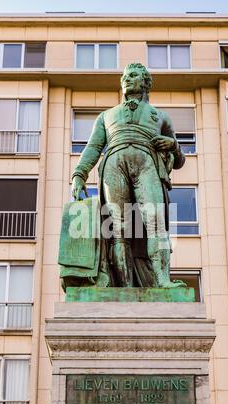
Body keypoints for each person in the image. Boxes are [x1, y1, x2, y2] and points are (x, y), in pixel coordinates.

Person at [72, 63, 185, 287]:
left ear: (145, 82)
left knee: (155, 222)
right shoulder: (106, 115)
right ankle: (124, 287)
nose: (126, 79)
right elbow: (94, 147)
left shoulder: (160, 116)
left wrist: (173, 145)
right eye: (124, 76)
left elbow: (180, 160)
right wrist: (79, 174)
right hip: (114, 162)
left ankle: (162, 280)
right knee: (118, 229)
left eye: (132, 75)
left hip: (147, 162)